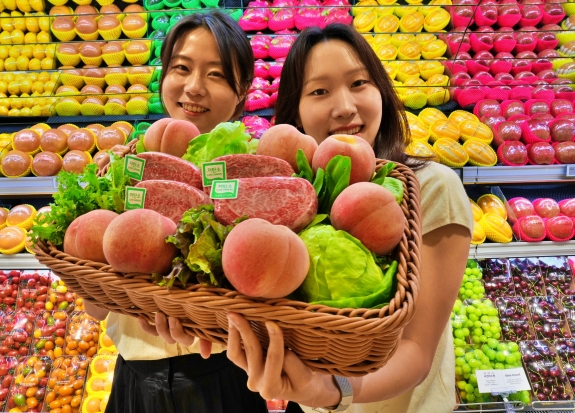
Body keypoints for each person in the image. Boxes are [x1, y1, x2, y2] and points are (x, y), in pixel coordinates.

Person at [149, 23, 473, 413]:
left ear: (382, 90)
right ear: (296, 114)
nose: (345, 107)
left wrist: (331, 391)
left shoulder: (431, 187)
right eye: (319, 91)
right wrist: (212, 324)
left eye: (358, 83)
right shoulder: (293, 203)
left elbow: (417, 353)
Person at [83, 11, 268, 413]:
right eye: (181, 68)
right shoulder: (125, 168)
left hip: (225, 377)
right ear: (164, 75)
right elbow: (94, 306)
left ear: (243, 91)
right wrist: (103, 210)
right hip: (133, 377)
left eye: (217, 75)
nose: (194, 88)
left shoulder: (257, 174)